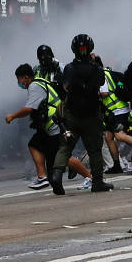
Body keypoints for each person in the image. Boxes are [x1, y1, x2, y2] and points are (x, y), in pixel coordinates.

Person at [6, 64, 93, 190]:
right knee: (35, 144)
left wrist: (12, 116)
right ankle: (43, 177)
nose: (18, 82)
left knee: (64, 157)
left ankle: (90, 178)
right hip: (51, 126)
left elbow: (29, 108)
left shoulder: (34, 86)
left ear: (25, 77)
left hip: (55, 126)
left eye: (19, 79)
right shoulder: (40, 81)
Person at [51, 34, 114, 194]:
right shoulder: (96, 68)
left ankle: (57, 176)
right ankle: (97, 182)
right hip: (91, 116)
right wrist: (97, 62)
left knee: (65, 147)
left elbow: (64, 86)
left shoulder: (69, 69)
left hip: (72, 115)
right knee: (94, 150)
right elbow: (101, 82)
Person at [101, 63, 132, 174]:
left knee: (119, 136)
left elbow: (104, 93)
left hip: (118, 110)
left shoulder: (101, 75)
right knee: (108, 137)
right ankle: (116, 165)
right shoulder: (110, 73)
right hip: (115, 111)